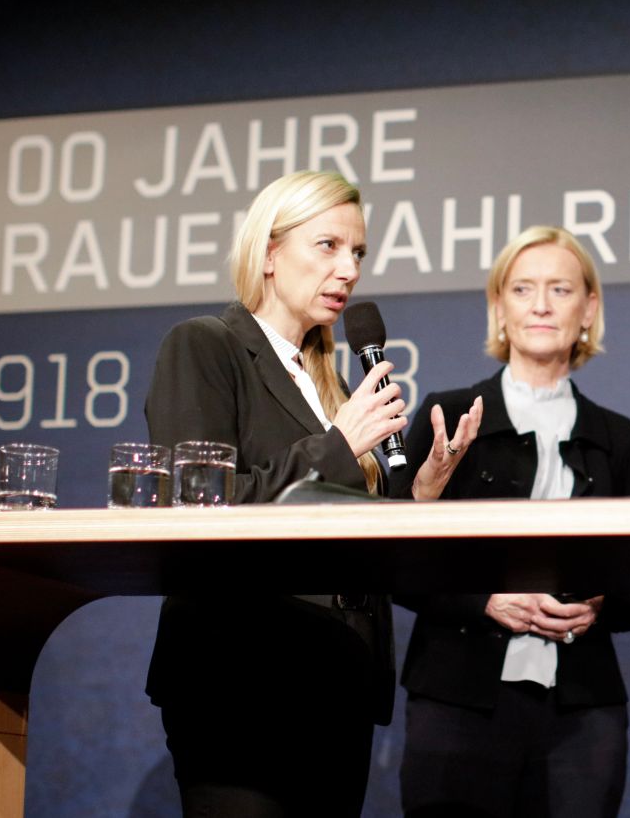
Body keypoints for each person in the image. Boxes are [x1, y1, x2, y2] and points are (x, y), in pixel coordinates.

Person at [143, 170, 481, 817]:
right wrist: (338, 443)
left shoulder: (325, 386)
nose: (347, 269)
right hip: (240, 687)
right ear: (269, 254)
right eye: (327, 246)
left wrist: (420, 498)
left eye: (357, 253)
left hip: (337, 688)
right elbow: (195, 508)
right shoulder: (207, 347)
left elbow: (346, 541)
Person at [389, 226, 630, 818]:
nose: (541, 305)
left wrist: (599, 604)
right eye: (522, 289)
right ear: (499, 308)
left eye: (561, 289)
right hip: (457, 703)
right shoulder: (450, 415)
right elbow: (394, 562)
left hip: (582, 715)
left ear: (588, 308)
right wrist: (483, 600)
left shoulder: (619, 438)